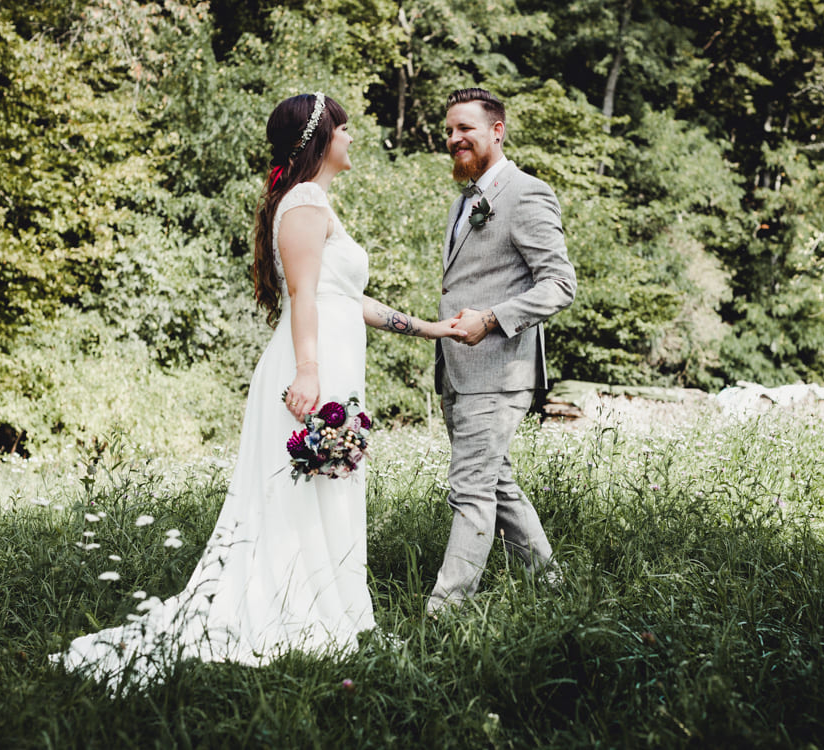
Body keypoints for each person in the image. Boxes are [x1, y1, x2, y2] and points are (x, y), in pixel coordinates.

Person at [51, 92, 464, 689]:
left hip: (331, 368)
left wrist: (428, 328)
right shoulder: (302, 204)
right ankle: (295, 608)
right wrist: (309, 372)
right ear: (321, 139)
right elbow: (303, 297)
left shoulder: (316, 203)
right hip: (310, 371)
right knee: (300, 492)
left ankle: (332, 605)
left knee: (330, 490)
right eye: (344, 130)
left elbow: (348, 299)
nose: (352, 139)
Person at [428, 88, 577, 613]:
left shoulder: (526, 193)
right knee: (498, 483)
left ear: (497, 130)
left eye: (464, 128)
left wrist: (490, 320)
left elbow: (560, 284)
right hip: (460, 371)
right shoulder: (461, 201)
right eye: (448, 130)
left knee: (470, 490)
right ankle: (552, 586)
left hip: (498, 369)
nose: (453, 139)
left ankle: (444, 615)